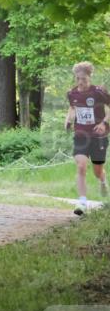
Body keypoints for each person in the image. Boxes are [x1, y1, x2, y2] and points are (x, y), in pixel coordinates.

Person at [64, 61, 109, 215]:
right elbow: (72, 108)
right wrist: (68, 120)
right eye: (78, 79)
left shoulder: (99, 92)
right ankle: (82, 202)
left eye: (83, 79)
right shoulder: (72, 93)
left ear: (89, 77)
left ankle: (103, 180)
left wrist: (104, 122)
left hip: (99, 135)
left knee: (97, 170)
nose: (80, 82)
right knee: (81, 165)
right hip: (81, 135)